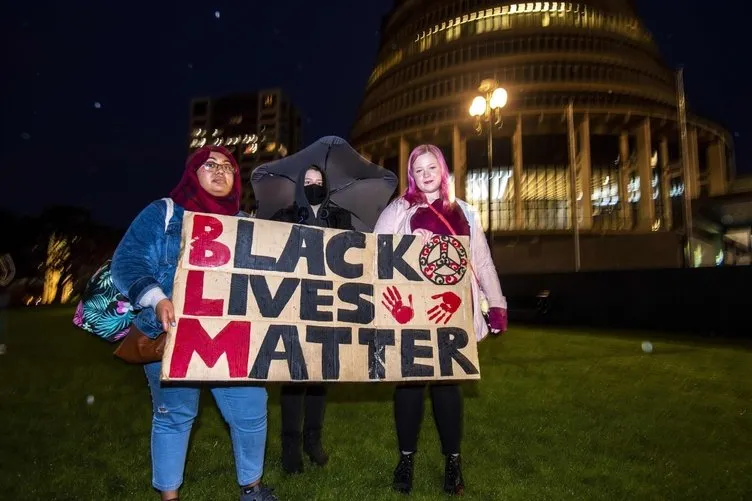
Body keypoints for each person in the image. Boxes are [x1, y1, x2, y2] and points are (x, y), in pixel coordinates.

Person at [111, 146, 278, 501]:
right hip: (172, 335)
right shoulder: (164, 214)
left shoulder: (246, 224)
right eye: (209, 165)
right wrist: (156, 299)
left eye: (228, 167)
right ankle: (169, 496)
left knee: (251, 409)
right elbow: (126, 262)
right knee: (175, 415)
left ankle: (252, 487)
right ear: (191, 173)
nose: (219, 171)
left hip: (232, 337)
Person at [373, 144, 508, 496]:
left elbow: (482, 261)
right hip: (410, 310)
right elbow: (378, 254)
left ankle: (453, 461)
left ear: (443, 170)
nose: (427, 173)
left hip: (453, 309)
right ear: (411, 176)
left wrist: (496, 305)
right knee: (410, 386)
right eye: (419, 169)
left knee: (449, 387)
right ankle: (405, 460)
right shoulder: (398, 210)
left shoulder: (465, 211)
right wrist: (409, 243)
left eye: (432, 166)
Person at [268, 164, 353, 474]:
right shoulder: (285, 216)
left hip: (328, 307)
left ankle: (313, 440)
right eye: (308, 181)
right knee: (293, 377)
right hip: (292, 305)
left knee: (320, 376)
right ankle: (290, 445)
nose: (314, 185)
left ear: (326, 185)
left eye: (319, 181)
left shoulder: (341, 218)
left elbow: (355, 254)